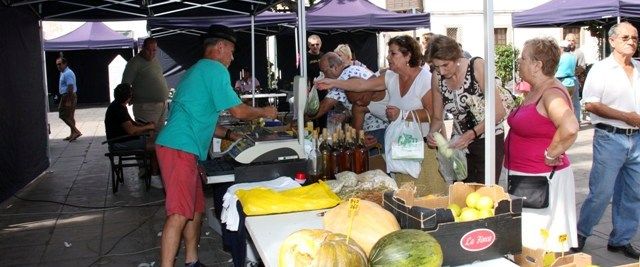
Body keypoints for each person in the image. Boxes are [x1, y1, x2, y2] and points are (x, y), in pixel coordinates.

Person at [154, 25, 277, 267]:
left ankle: (191, 261)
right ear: (220, 47)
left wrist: (230, 134)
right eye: (231, 51)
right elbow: (239, 111)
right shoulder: (215, 70)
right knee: (179, 213)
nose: (232, 58)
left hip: (182, 146)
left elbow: (202, 119)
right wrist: (266, 111)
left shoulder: (195, 70)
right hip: (179, 146)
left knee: (196, 210)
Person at [316, 35, 448, 197]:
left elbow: (433, 114)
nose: (387, 57)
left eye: (393, 53)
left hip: (426, 149)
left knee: (432, 197)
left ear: (408, 55)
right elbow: (361, 84)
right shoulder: (390, 77)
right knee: (406, 198)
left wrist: (403, 114)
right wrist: (334, 83)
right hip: (402, 148)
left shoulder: (424, 79)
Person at [573, 22, 640, 260]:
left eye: (634, 37)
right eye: (625, 37)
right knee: (601, 192)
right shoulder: (601, 69)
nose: (631, 41)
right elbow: (590, 104)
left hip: (637, 140)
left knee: (633, 192)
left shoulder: (639, 68)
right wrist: (627, 117)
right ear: (612, 41)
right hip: (610, 137)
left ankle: (621, 239)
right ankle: (580, 234)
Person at [506, 37, 579, 252]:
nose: (519, 61)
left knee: (541, 244)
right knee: (530, 242)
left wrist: (550, 154)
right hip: (527, 178)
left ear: (537, 65)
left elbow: (570, 127)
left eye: (523, 57)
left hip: (540, 181)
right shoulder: (537, 89)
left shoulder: (551, 93)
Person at [425, 34, 506, 184]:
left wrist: (470, 135)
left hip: (487, 140)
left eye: (445, 65)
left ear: (456, 57)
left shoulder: (477, 66)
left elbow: (499, 112)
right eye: (436, 66)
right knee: (461, 192)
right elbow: (437, 117)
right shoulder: (437, 77)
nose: (441, 71)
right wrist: (432, 133)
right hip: (459, 144)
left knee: (483, 194)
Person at [308, 52, 387, 147]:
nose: (324, 75)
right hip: (377, 127)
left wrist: (302, 118)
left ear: (335, 67)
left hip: (375, 130)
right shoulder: (354, 69)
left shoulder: (344, 79)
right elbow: (355, 107)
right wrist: (346, 115)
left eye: (324, 71)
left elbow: (323, 108)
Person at [122, 37, 170, 132]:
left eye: (154, 50)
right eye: (148, 50)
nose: (151, 53)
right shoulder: (134, 63)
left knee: (159, 137)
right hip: (145, 107)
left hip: (161, 106)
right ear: (142, 48)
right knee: (147, 137)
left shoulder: (155, 60)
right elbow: (125, 85)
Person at [56, 57, 82, 141]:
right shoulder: (63, 72)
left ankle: (76, 131)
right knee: (70, 116)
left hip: (68, 96)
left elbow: (70, 86)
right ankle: (73, 134)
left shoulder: (67, 73)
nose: (58, 66)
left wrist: (68, 100)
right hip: (67, 95)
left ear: (65, 64)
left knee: (63, 115)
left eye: (60, 64)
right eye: (57, 64)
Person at [565, 33, 587, 123]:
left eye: (573, 40)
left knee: (575, 101)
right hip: (563, 80)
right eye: (569, 40)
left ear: (576, 42)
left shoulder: (579, 53)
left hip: (574, 79)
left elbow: (582, 66)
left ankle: (577, 121)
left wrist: (573, 72)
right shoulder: (562, 52)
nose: (571, 42)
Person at [307, 34, 327, 129]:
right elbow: (303, 75)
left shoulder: (324, 56)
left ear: (321, 44)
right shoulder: (305, 57)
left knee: (324, 114)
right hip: (311, 90)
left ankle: (323, 135)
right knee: (312, 114)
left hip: (323, 89)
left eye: (317, 44)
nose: (315, 46)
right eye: (312, 45)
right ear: (308, 45)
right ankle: (313, 135)